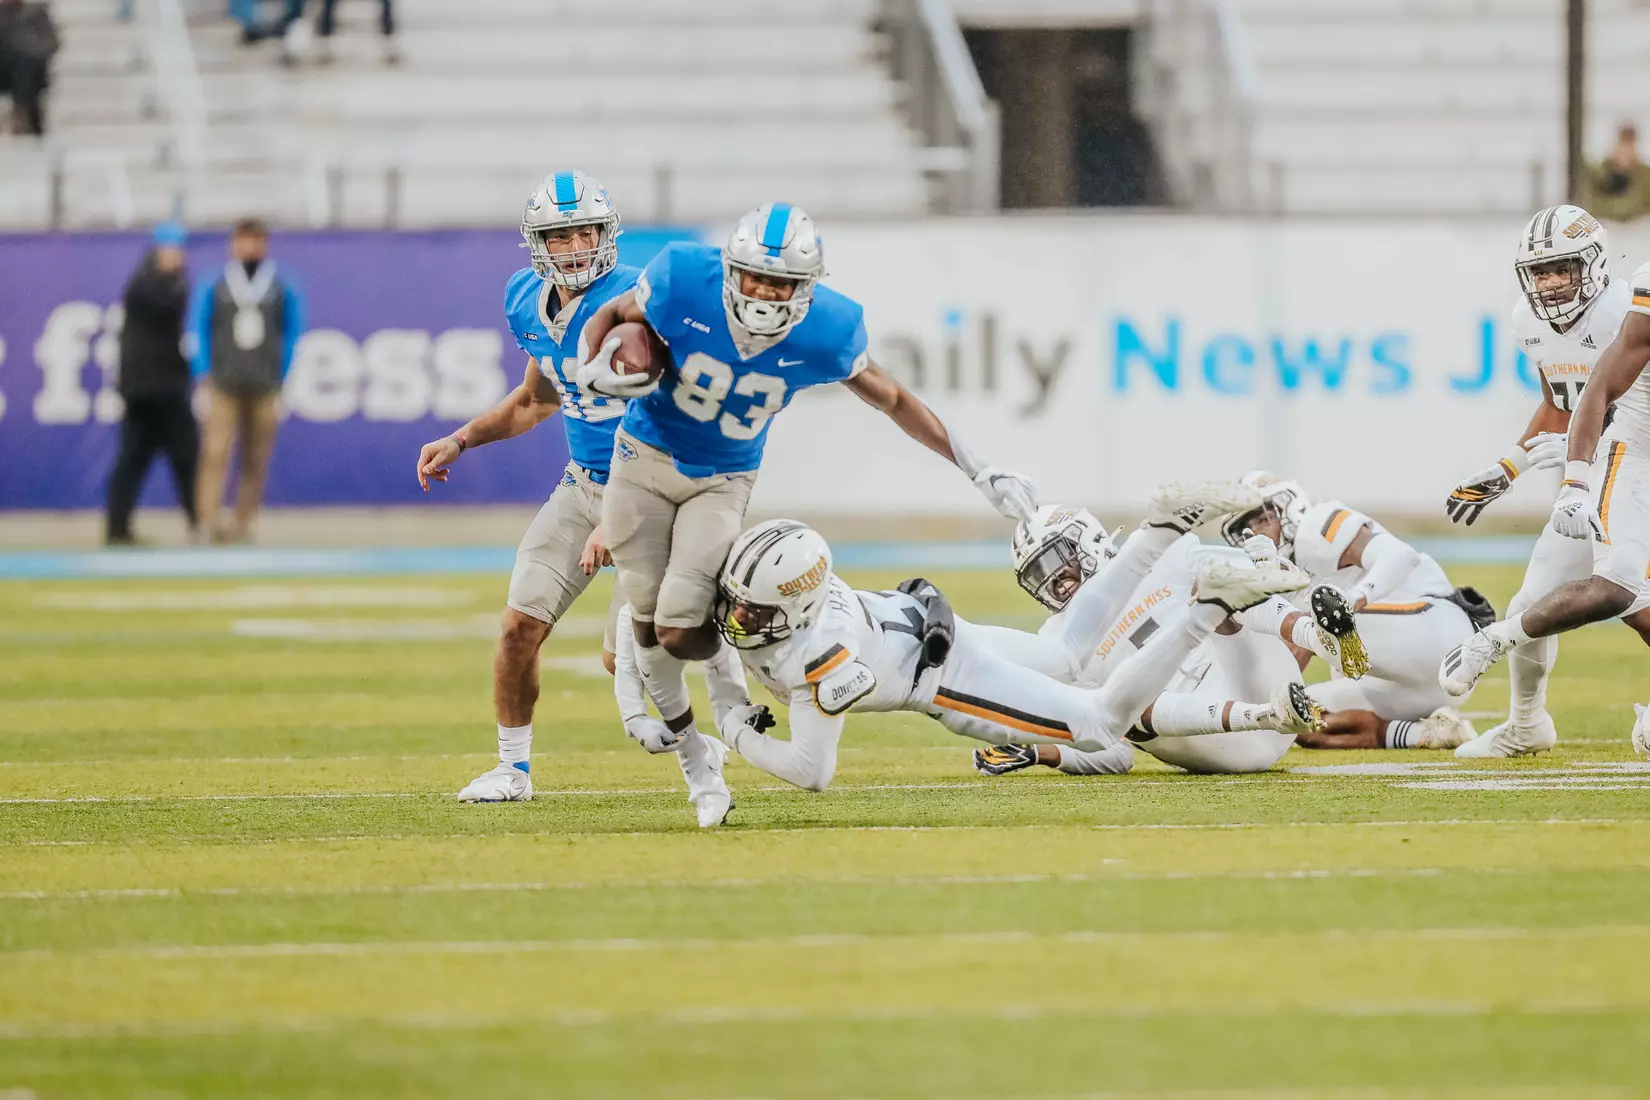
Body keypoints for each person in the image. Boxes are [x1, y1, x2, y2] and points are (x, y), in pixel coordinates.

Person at [574, 203, 1037, 821]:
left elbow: (894, 399)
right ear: (730, 269)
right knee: (645, 629)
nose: (766, 292)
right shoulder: (683, 275)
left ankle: (739, 701)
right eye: (756, 277)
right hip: (641, 456)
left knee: (680, 631)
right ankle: (693, 755)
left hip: (722, 477)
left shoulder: (829, 328)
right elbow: (611, 315)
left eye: (782, 282)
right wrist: (589, 364)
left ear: (808, 286)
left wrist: (978, 468)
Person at [415, 172, 747, 822]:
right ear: (538, 243)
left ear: (606, 234)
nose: (573, 246)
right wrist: (461, 440)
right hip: (582, 488)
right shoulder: (524, 300)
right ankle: (513, 768)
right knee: (517, 629)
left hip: (656, 491)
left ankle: (730, 693)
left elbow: (682, 407)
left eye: (585, 231)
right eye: (560, 234)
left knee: (631, 652)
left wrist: (627, 509)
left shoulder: (638, 299)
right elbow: (538, 399)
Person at [701, 492, 1321, 794]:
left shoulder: (822, 654)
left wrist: (732, 728)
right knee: (1068, 658)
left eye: (757, 611)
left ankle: (1206, 607)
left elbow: (812, 771)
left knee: (1104, 721)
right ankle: (1157, 528)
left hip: (940, 676)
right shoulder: (813, 598)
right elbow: (711, 627)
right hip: (926, 620)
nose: (745, 620)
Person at [1440, 205, 1650, 756]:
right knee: (1531, 604)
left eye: (1562, 268)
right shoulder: (1527, 321)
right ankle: (1526, 725)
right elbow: (1562, 401)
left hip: (1626, 467)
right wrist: (1510, 466)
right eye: (1541, 272)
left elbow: (1612, 402)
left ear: (1595, 264)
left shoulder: (1622, 310)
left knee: (1628, 594)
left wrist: (1584, 457)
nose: (1550, 283)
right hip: (1590, 473)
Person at [973, 497, 1358, 779]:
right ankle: (1268, 712)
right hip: (1218, 746)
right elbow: (1115, 753)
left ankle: (1321, 639)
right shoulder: (1058, 642)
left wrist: (1261, 561)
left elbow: (1265, 575)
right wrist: (1040, 752)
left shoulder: (1156, 555)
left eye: (1056, 562)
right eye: (1037, 575)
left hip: (1259, 676)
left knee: (1220, 584)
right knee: (1124, 706)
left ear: (1085, 541)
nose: (1052, 581)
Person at [1213, 472, 1485, 752]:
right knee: (1292, 715)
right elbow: (1285, 663)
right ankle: (1425, 734)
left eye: (1262, 518)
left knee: (1319, 614)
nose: (1259, 533)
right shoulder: (1282, 584)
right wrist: (1253, 708)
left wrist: (1354, 598)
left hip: (1440, 635)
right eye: (1248, 528)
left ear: (1289, 507)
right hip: (1414, 686)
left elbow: (1401, 556)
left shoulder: (1317, 525)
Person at [189, 218, 306, 544]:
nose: (249, 247)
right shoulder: (217, 283)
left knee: (256, 457)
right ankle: (207, 522)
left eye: (255, 241)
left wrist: (282, 375)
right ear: (233, 244)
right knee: (215, 453)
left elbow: (293, 332)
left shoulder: (280, 284)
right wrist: (203, 374)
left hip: (265, 383)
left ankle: (244, 522)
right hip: (223, 383)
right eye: (243, 240)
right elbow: (199, 327)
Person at [106, 222, 199, 546]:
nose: (177, 259)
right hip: (154, 389)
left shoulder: (154, 282)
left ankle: (196, 522)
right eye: (171, 251)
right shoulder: (146, 284)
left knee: (164, 458)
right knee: (163, 456)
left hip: (157, 386)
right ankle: (119, 527)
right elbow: (168, 305)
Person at [0, 0, 57, 135]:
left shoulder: (35, 13)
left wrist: (26, 48)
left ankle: (23, 114)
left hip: (27, 69)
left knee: (25, 64)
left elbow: (51, 43)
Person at [1582, 124, 1650, 224]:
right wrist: (1613, 169)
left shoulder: (1644, 173)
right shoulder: (1601, 170)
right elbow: (1592, 202)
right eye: (1624, 142)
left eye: (1630, 143)